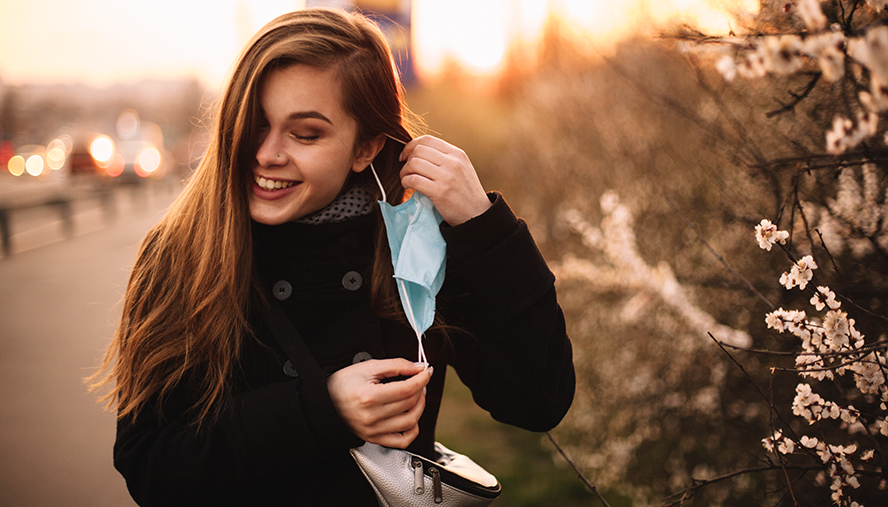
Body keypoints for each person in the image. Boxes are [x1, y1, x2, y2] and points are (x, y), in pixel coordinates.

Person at [90, 7, 575, 506]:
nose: (266, 154)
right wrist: (322, 412)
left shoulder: (413, 248)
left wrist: (484, 224)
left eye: (305, 133)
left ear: (364, 147)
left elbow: (537, 401)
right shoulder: (181, 253)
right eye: (254, 124)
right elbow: (150, 468)